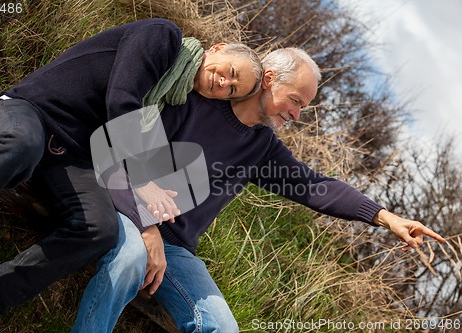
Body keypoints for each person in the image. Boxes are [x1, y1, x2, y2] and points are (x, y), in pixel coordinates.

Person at [71, 47, 446, 333]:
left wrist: (386, 217)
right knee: (130, 260)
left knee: (222, 327)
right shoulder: (189, 100)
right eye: (295, 100)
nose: (297, 114)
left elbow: (315, 186)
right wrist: (146, 226)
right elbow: (116, 157)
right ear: (268, 79)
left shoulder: (263, 149)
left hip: (176, 249)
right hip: (127, 210)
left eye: (303, 106)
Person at [0, 18, 263, 332]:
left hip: (74, 157)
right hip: (32, 113)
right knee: (21, 148)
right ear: (217, 49)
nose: (224, 84)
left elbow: (113, 149)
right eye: (231, 73)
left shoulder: (169, 100)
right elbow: (121, 100)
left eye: (232, 90)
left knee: (100, 229)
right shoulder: (163, 38)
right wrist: (143, 182)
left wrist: (148, 216)